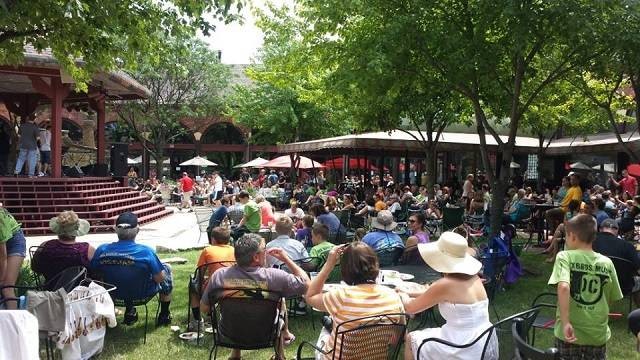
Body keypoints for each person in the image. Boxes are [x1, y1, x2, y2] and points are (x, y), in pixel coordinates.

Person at [200, 233, 309, 359]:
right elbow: (306, 284)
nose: (267, 252)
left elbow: (204, 308)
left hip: (229, 334)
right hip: (265, 334)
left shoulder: (219, 276)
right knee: (278, 306)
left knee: (240, 309)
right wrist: (286, 259)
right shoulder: (275, 277)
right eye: (264, 249)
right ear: (256, 257)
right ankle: (280, 356)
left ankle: (235, 354)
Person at [399, 232, 497, 360]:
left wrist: (401, 294)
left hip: (462, 346)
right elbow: (436, 293)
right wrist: (410, 292)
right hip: (484, 340)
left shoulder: (446, 284)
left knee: (412, 338)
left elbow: (410, 308)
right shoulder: (475, 278)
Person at [305, 242, 405, 360]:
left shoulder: (342, 296)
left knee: (326, 329)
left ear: (345, 268)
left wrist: (328, 265)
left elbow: (310, 296)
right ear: (375, 263)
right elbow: (399, 334)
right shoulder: (393, 296)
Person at [548, 214, 623, 359]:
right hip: (597, 333)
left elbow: (563, 287)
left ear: (573, 236)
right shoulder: (607, 263)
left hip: (569, 334)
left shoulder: (565, 256)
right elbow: (610, 297)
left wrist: (565, 322)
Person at [90, 212, 173, 326]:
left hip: (113, 294)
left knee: (123, 275)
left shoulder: (101, 250)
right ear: (137, 230)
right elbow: (159, 279)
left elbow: (94, 272)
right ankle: (164, 314)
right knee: (166, 269)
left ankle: (130, 311)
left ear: (116, 230)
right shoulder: (146, 252)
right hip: (142, 294)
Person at [188, 227, 235, 331]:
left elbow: (200, 273)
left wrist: (200, 285)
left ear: (213, 239)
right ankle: (212, 314)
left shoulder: (207, 250)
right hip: (233, 287)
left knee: (193, 286)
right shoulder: (234, 250)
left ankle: (197, 320)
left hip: (215, 290)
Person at [31, 211, 94, 283]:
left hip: (51, 290)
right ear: (76, 229)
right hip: (82, 292)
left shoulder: (45, 246)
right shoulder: (87, 249)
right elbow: (98, 271)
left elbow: (35, 268)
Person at [593, 218, 640, 306]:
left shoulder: (589, 242)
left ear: (600, 229)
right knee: (638, 281)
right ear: (617, 231)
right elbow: (637, 269)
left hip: (592, 283)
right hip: (622, 287)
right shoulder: (628, 246)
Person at [0, 206, 26, 309]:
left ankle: (14, 321)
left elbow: (2, 256)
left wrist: (1, 278)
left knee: (6, 287)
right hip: (3, 245)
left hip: (15, 243)